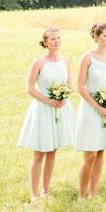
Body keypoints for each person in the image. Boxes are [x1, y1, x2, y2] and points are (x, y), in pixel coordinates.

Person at [18, 27, 76, 202]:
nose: (56, 41)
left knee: (53, 150)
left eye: (58, 38)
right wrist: (48, 101)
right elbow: (29, 88)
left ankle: (45, 190)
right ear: (45, 42)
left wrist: (64, 98)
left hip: (60, 108)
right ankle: (34, 194)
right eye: (52, 39)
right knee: (40, 151)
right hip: (43, 109)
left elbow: (69, 85)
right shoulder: (39, 63)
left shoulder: (65, 61)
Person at [75, 23, 106, 199]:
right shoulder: (87, 58)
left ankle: (94, 193)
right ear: (96, 37)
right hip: (91, 108)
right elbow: (80, 86)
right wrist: (98, 106)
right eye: (105, 36)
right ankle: (81, 193)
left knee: (101, 151)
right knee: (90, 153)